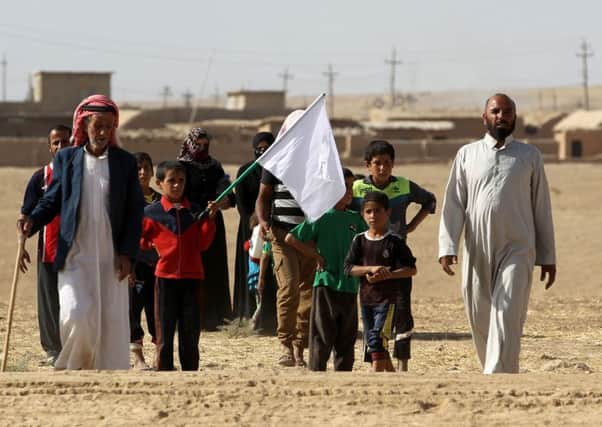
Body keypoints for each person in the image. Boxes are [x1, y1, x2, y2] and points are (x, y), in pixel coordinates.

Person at [19, 94, 144, 370]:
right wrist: (32, 221)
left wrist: (127, 253)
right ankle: (74, 365)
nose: (103, 132)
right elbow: (52, 198)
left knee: (110, 319)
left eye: (109, 126)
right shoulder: (67, 158)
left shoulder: (124, 162)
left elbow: (136, 211)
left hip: (111, 255)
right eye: (98, 126)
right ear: (84, 126)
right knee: (76, 312)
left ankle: (105, 370)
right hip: (76, 252)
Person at [438, 93, 556, 374]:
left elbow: (542, 207)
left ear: (515, 117)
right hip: (477, 248)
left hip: (518, 247)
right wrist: (447, 245)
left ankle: (498, 376)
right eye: (496, 111)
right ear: (485, 117)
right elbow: (453, 203)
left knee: (506, 311)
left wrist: (548, 255)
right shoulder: (467, 154)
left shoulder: (530, 156)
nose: (501, 116)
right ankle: (497, 369)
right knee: (479, 316)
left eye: (507, 111)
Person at [285, 168, 367, 371]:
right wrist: (315, 256)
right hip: (325, 284)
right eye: (344, 187)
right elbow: (291, 238)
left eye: (351, 187)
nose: (349, 192)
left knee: (347, 337)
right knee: (321, 334)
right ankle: (317, 372)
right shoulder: (321, 217)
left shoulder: (355, 219)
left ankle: (343, 375)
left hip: (349, 285)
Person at [140, 161, 217, 371]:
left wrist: (209, 221)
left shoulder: (195, 211)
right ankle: (164, 370)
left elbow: (203, 244)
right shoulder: (151, 213)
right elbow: (140, 240)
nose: (176, 185)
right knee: (164, 329)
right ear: (160, 183)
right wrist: (153, 252)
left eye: (181, 181)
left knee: (190, 331)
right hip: (165, 278)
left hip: (192, 277)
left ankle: (190, 371)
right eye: (171, 181)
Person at [255, 111, 315, 367]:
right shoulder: (276, 162)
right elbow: (263, 197)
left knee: (308, 294)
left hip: (310, 237)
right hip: (282, 235)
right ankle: (285, 345)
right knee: (289, 288)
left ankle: (301, 347)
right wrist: (263, 221)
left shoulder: (318, 161)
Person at [344, 191, 417, 372]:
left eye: (377, 211)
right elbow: (348, 269)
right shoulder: (359, 240)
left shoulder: (395, 242)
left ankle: (375, 379)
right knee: (374, 341)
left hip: (388, 302)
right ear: (363, 214)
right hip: (367, 300)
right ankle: (392, 379)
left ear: (387, 212)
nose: (373, 216)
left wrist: (388, 274)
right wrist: (369, 269)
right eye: (368, 212)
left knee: (376, 339)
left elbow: (411, 269)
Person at [18, 124, 71, 367]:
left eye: (65, 142)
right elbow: (27, 217)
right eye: (56, 143)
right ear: (49, 147)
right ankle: (52, 349)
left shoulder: (83, 174)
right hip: (48, 249)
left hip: (78, 249)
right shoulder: (41, 177)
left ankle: (75, 348)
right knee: (49, 302)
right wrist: (22, 246)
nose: (61, 147)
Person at [178, 128, 234, 331]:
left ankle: (213, 318)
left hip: (212, 223)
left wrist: (222, 201)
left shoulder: (215, 166)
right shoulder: (181, 166)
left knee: (213, 268)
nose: (202, 148)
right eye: (198, 144)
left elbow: (226, 191)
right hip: (189, 223)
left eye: (205, 145)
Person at [350, 140, 436, 240]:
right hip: (365, 251)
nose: (383, 168)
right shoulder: (355, 188)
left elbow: (430, 200)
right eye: (377, 163)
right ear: (368, 165)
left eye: (387, 162)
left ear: (393, 163)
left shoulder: (404, 185)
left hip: (397, 251)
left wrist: (412, 226)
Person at [233, 132, 275, 320]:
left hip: (273, 227)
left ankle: (270, 316)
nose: (263, 152)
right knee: (251, 270)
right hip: (249, 229)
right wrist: (255, 220)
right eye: (259, 149)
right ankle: (248, 313)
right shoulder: (245, 171)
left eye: (267, 148)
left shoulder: (278, 171)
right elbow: (241, 204)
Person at [128, 152, 161, 370]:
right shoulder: (126, 200)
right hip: (135, 264)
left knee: (157, 311)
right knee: (133, 309)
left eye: (146, 168)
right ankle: (138, 359)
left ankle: (161, 356)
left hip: (159, 265)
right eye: (138, 168)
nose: (142, 172)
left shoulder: (161, 200)